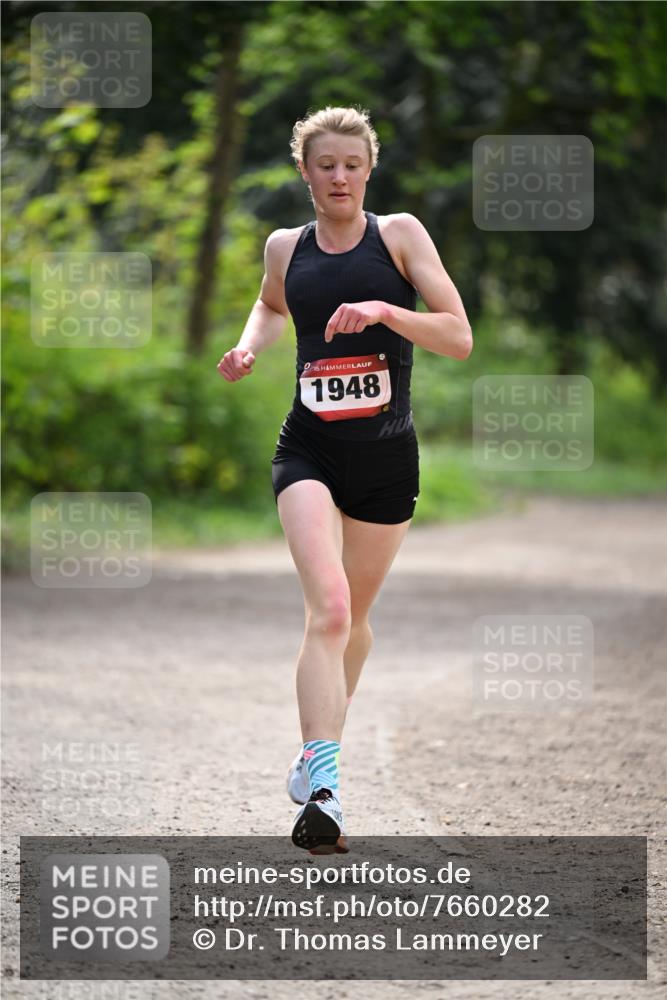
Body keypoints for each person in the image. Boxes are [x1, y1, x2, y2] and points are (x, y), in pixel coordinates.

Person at [217, 106, 472, 854]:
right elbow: (270, 305)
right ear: (304, 170)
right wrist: (248, 346)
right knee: (327, 610)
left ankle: (318, 744)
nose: (339, 177)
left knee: (353, 620)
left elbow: (458, 336)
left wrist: (388, 310)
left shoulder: (399, 236)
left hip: (387, 460)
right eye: (325, 165)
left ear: (368, 170)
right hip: (309, 450)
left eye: (351, 165)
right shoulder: (284, 247)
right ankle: (324, 790)